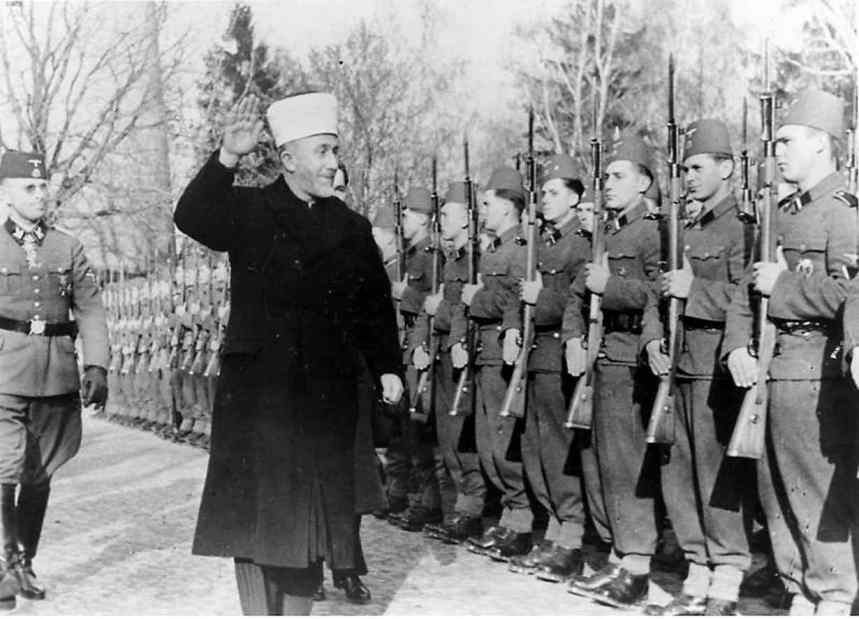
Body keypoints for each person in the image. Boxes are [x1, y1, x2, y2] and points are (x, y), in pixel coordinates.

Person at [174, 93, 404, 616]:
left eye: (335, 152)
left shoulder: (351, 227)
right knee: (257, 518)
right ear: (289, 157)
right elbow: (191, 216)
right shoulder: (251, 208)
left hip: (326, 396)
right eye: (322, 151)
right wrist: (227, 158)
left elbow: (372, 306)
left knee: (313, 521)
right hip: (261, 395)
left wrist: (387, 365)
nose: (332, 164)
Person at [724, 88, 858, 616]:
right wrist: (736, 344)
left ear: (822, 146)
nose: (777, 151)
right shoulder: (781, 212)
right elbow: (745, 286)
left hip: (814, 371)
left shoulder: (843, 213)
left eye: (788, 141)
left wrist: (782, 287)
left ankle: (832, 595)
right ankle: (797, 588)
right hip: (772, 368)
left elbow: (850, 294)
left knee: (812, 487)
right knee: (775, 490)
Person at [641, 120, 753, 616]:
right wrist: (651, 340)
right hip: (679, 364)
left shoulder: (743, 229)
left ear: (726, 169)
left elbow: (748, 300)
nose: (687, 177)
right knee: (677, 472)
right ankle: (697, 566)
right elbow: (657, 291)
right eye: (684, 168)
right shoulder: (682, 229)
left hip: (715, 367)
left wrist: (694, 292)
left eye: (697, 167)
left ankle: (727, 573)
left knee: (714, 473)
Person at [0, 150, 109, 609]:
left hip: (57, 373)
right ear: (5, 194)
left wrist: (97, 365)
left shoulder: (67, 246)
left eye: (43, 186)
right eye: (29, 187)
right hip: (4, 371)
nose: (40, 194)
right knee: (6, 466)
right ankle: (8, 564)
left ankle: (25, 561)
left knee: (40, 473)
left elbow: (89, 307)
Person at [563, 133, 662, 609]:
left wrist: (613, 287)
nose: (607, 185)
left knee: (626, 464)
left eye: (618, 177)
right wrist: (575, 336)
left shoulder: (651, 231)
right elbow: (580, 295)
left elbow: (657, 295)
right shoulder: (611, 232)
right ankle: (619, 555)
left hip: (629, 357)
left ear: (644, 182)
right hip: (602, 355)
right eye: (605, 177)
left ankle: (638, 562)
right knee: (603, 462)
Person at [513, 154, 590, 582]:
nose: (544, 199)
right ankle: (554, 529)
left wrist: (538, 298)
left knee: (560, 450)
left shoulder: (581, 244)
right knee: (537, 449)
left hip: (561, 357)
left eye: (554, 192)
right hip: (536, 358)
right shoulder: (540, 243)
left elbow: (577, 305)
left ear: (576, 198)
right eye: (542, 192)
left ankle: (572, 537)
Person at [460, 166, 534, 561]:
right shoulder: (494, 249)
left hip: (502, 354)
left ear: (508, 206)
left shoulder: (520, 248)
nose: (482, 210)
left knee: (503, 440)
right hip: (484, 354)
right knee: (489, 443)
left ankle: (520, 521)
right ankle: (509, 515)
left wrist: (477, 300)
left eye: (488, 203)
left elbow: (513, 301)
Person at [313, 163, 378, 605]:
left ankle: (348, 568)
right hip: (303, 376)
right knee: (311, 474)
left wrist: (384, 368)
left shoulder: (357, 235)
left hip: (350, 371)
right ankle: (310, 564)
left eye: (340, 188)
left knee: (350, 477)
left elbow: (374, 307)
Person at [415, 181, 487, 544]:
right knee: (446, 438)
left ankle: (471, 511)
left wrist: (438, 311)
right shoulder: (454, 261)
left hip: (464, 359)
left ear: (468, 217)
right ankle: (456, 509)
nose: (440, 218)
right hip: (444, 356)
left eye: (447, 212)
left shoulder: (479, 258)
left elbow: (462, 309)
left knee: (462, 438)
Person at [390, 187, 444, 532]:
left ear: (424, 218)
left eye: (408, 214)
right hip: (409, 345)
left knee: (423, 430)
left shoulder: (431, 254)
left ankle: (431, 503)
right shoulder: (410, 254)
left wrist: (403, 294)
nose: (403, 220)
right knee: (409, 429)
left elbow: (430, 302)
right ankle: (421, 499)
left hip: (422, 346)